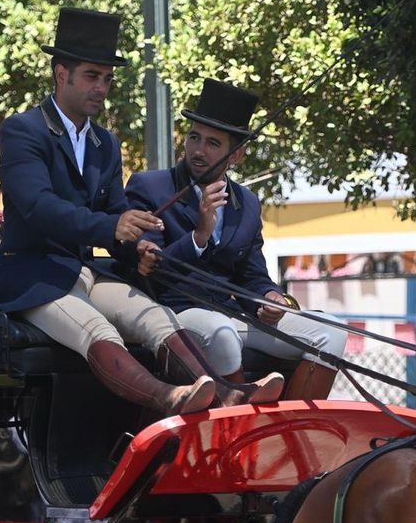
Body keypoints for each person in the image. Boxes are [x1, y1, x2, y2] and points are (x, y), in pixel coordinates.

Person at [0, 7, 272, 416]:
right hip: (33, 276)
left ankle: (227, 392)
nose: (102, 87)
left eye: (107, 78)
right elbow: (39, 207)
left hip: (87, 273)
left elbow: (118, 213)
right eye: (92, 76)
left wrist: (139, 248)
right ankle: (169, 398)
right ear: (61, 74)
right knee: (98, 330)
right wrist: (114, 228)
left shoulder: (106, 144)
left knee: (157, 318)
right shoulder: (24, 130)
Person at [126, 80, 347, 400]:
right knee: (223, 333)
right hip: (174, 311)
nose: (199, 151)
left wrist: (271, 298)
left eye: (213, 143)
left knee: (331, 333)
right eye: (194, 137)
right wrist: (199, 235)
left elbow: (253, 276)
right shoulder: (150, 187)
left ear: (237, 154)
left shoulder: (247, 204)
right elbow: (149, 269)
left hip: (234, 313)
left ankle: (292, 432)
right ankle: (238, 428)